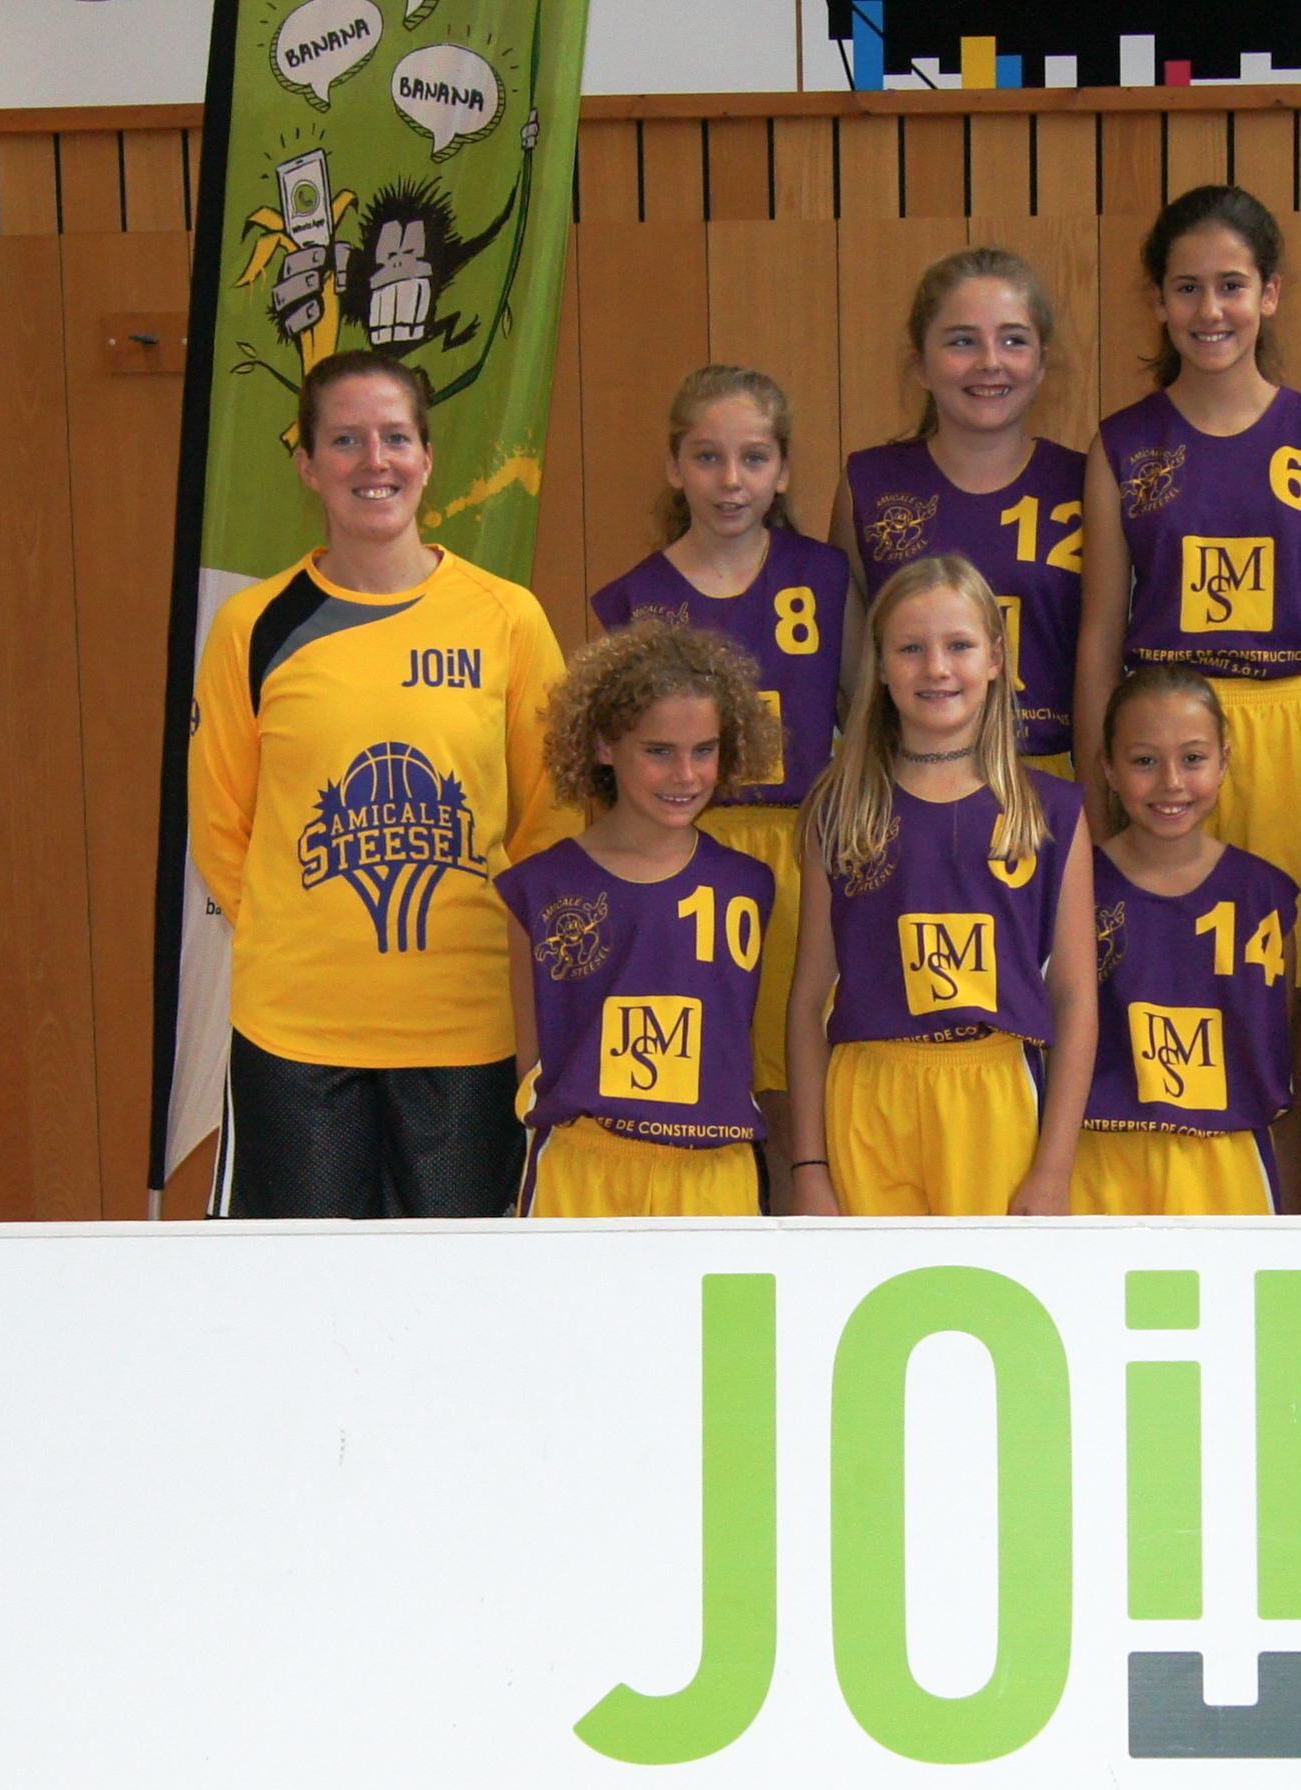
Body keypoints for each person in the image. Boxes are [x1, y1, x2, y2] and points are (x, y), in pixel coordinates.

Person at [189, 349, 565, 1219]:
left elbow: (556, 817)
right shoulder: (253, 625)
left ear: (427, 458)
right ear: (306, 464)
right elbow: (220, 824)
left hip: (465, 1031)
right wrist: (302, 933)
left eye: (396, 437)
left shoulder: (507, 618)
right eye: (345, 439)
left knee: (456, 1289)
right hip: (296, 1035)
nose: (374, 460)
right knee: (301, 1288)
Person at [1072, 183, 1301, 1211]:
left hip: (1283, 733)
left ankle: (1291, 1235)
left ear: (1271, 293)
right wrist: (1097, 789)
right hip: (1159, 736)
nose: (1210, 309)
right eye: (1187, 287)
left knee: (1282, 1011)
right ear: (1156, 300)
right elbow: (1099, 633)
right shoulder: (1123, 443)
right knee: (1148, 989)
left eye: (1232, 285)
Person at [592, 363, 852, 1202]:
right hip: (683, 856)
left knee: (794, 1081)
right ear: (674, 468)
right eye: (707, 457)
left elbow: (865, 715)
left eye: (753, 457)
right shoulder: (637, 598)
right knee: (704, 1077)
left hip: (802, 848)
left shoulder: (825, 577)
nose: (730, 480)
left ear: (783, 470)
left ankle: (800, 1241)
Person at [787, 556, 1098, 1217]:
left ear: (996, 657)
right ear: (879, 664)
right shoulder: (839, 811)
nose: (936, 668)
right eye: (910, 649)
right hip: (867, 1096)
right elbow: (809, 999)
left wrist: (1054, 1167)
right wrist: (809, 1165)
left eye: (959, 645)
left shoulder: (1050, 811)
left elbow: (1075, 999)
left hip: (995, 1095)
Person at [492, 618, 782, 1217]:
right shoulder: (540, 888)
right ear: (604, 745)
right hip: (583, 1170)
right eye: (659, 752)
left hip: (713, 1174)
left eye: (704, 750)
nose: (686, 775)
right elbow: (531, 1059)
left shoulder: (749, 886)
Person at [833, 249, 1089, 776]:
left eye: (1014, 340)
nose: (990, 361)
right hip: (911, 778)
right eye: (962, 341)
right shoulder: (870, 486)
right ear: (920, 365)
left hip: (1049, 776)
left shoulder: (1086, 483)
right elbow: (851, 674)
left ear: (1042, 363)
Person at [1072, 668, 1301, 1215]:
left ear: (1224, 761)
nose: (1171, 782)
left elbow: (1282, 1063)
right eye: (1144, 761)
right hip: (1098, 1161)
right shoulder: (1075, 890)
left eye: (1193, 758)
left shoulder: (1265, 896)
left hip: (1229, 1166)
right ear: (1108, 768)